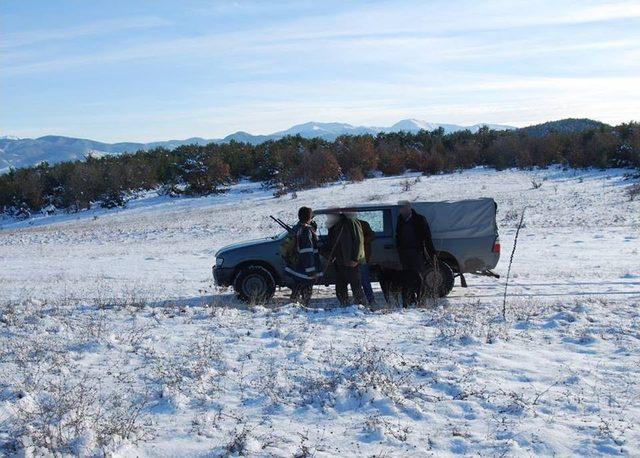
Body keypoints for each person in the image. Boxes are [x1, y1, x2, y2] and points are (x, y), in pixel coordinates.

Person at [395, 200, 437, 307]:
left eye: (402, 208)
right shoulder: (400, 219)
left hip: (417, 252)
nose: (401, 210)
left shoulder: (419, 219)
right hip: (405, 253)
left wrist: (432, 253)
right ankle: (410, 300)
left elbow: (427, 237)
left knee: (419, 277)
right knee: (407, 278)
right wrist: (399, 249)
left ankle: (421, 300)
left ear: (408, 208)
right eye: (400, 208)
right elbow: (398, 235)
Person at [326, 212, 367, 306]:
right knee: (340, 287)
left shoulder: (350, 222)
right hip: (339, 261)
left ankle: (361, 307)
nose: (328, 217)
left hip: (351, 261)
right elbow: (331, 243)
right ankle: (344, 306)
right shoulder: (333, 226)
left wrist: (355, 259)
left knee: (356, 286)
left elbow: (359, 241)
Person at [285, 206, 322, 306]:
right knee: (306, 290)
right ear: (310, 217)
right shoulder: (306, 231)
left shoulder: (297, 227)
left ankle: (293, 305)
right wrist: (311, 272)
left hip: (296, 266)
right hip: (304, 269)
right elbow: (307, 252)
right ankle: (304, 308)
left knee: (297, 287)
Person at [357, 217, 376, 305]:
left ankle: (371, 301)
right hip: (350, 259)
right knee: (356, 283)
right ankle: (360, 302)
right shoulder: (344, 225)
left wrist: (361, 241)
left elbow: (372, 236)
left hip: (362, 258)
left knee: (365, 281)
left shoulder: (363, 224)